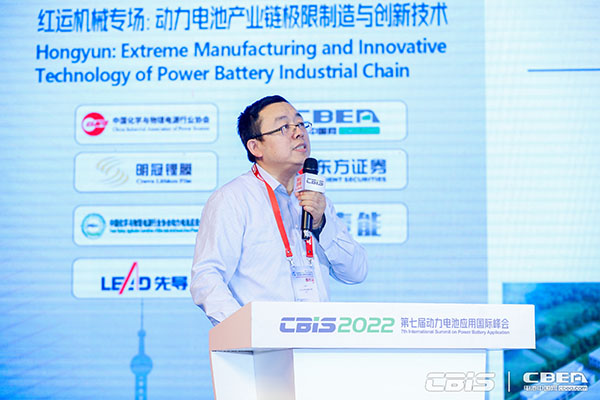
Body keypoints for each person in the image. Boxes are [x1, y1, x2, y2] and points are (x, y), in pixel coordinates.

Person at [190, 95, 368, 325]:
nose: (298, 132)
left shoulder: (314, 200)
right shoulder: (233, 199)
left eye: (300, 124)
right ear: (255, 147)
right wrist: (245, 330)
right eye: (284, 127)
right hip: (261, 342)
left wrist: (321, 224)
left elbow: (355, 272)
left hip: (317, 339)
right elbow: (207, 278)